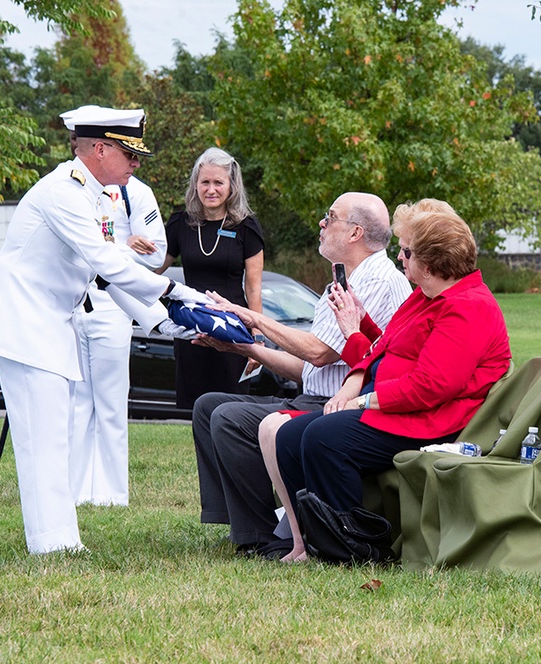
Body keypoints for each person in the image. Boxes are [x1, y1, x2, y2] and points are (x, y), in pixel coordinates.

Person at [0, 106, 209, 554]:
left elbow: (103, 278)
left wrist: (163, 320)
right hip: (26, 324)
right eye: (130, 154)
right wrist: (179, 294)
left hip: (48, 323)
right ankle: (52, 544)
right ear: (100, 149)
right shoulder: (64, 192)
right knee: (43, 438)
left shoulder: (96, 195)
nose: (136, 165)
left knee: (54, 434)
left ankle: (60, 540)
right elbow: (110, 264)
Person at [260, 205, 511, 563]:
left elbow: (431, 386)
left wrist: (362, 402)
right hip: (403, 407)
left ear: (430, 261)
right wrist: (360, 325)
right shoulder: (425, 296)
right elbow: (386, 350)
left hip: (432, 419)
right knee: (290, 436)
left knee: (324, 438)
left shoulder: (467, 307)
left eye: (406, 251)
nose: (399, 256)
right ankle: (316, 541)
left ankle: (354, 546)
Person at [190, 192, 412, 556]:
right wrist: (244, 348)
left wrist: (252, 316)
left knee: (230, 417)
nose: (322, 224)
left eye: (330, 217)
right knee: (209, 405)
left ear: (355, 233)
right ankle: (245, 524)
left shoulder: (377, 280)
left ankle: (262, 537)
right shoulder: (341, 280)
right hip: (314, 395)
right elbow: (309, 369)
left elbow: (319, 352)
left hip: (340, 406)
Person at [60, 107, 168, 507]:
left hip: (111, 304)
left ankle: (110, 494)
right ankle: (73, 491)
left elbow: (156, 254)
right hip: (73, 306)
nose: (134, 162)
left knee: (109, 402)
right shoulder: (71, 189)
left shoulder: (134, 191)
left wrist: (114, 253)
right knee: (76, 402)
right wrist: (121, 246)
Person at [159, 148, 264, 409]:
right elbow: (152, 272)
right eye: (205, 182)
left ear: (232, 186)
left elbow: (254, 289)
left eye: (219, 182)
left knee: (231, 406)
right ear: (196, 185)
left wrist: (258, 338)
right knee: (194, 406)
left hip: (232, 327)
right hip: (191, 326)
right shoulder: (179, 224)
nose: (211, 189)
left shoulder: (246, 227)